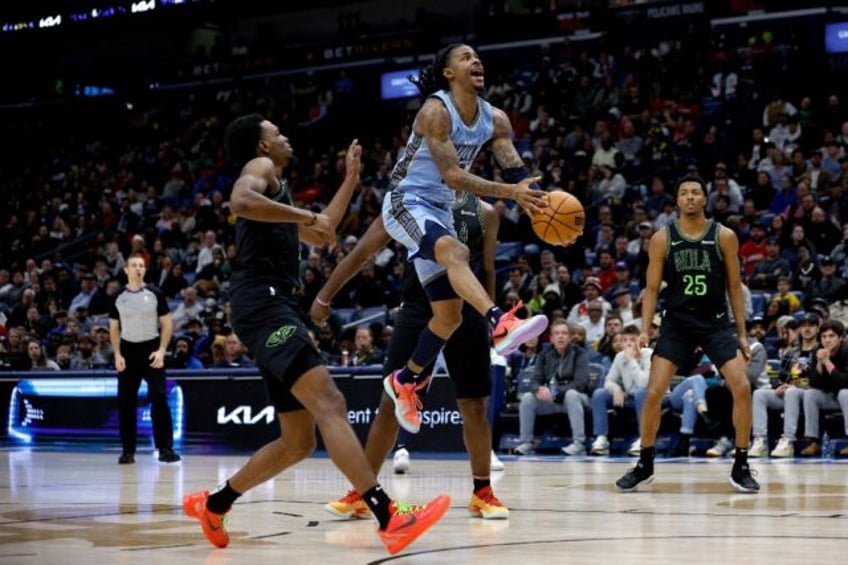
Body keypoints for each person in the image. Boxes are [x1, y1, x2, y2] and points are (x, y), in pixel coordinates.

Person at [182, 114, 449, 556]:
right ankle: (388, 515)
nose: (285, 137)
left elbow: (323, 233)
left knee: (299, 440)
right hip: (263, 303)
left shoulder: (278, 191)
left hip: (271, 306)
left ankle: (214, 504)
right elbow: (240, 201)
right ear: (263, 147)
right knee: (331, 402)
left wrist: (350, 180)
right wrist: (303, 213)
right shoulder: (260, 171)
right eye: (277, 133)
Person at [379, 43, 549, 434]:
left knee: (449, 315)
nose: (476, 61)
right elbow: (454, 176)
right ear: (448, 73)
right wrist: (512, 195)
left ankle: (405, 380)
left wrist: (537, 199)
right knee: (456, 251)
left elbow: (513, 170)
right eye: (465, 57)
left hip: (439, 209)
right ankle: (500, 322)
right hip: (407, 200)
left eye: (478, 57)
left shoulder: (495, 118)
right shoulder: (436, 111)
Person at [313, 190, 509, 521]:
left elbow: (487, 268)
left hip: (470, 312)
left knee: (474, 405)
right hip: (419, 309)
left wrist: (492, 322)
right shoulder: (405, 205)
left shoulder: (485, 213)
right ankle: (364, 493)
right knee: (390, 401)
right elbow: (361, 252)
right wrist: (324, 297)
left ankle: (482, 491)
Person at [616, 175, 760, 494]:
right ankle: (645, 463)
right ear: (677, 201)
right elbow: (651, 288)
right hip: (677, 323)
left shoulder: (724, 236)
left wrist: (742, 334)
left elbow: (734, 287)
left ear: (705, 199)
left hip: (716, 323)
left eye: (696, 192)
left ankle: (741, 464)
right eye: (684, 193)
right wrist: (644, 329)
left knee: (742, 385)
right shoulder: (661, 239)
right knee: (653, 392)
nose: (691, 197)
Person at [108, 253, 180, 465]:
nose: (138, 268)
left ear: (144, 270)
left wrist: (161, 351)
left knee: (158, 396)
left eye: (141, 265)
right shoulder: (117, 296)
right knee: (126, 402)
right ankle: (128, 450)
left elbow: (167, 324)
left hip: (151, 349)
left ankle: (165, 448)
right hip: (128, 352)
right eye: (134, 265)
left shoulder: (156, 293)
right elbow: (113, 328)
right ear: (126, 270)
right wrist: (118, 354)